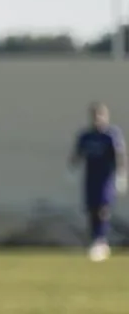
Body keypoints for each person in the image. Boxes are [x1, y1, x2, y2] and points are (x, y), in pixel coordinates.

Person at [69, 102, 126, 262]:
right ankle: (94, 239)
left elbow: (120, 155)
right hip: (90, 178)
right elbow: (77, 154)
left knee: (103, 208)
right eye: (95, 115)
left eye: (101, 115)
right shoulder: (86, 136)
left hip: (105, 178)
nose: (98, 118)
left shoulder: (111, 135)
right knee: (91, 209)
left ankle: (101, 241)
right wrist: (71, 171)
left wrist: (121, 175)